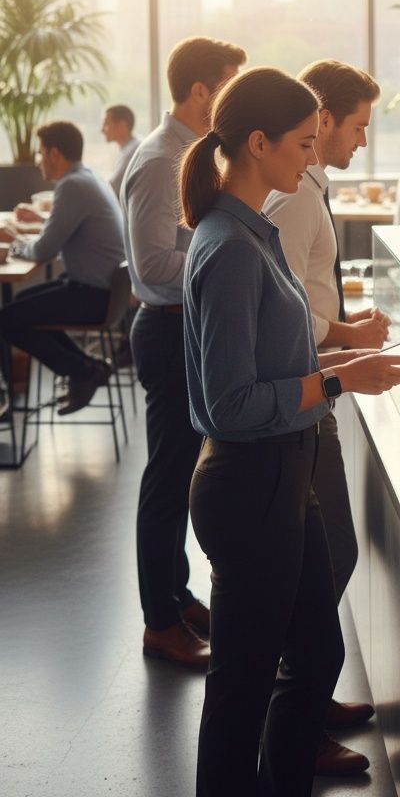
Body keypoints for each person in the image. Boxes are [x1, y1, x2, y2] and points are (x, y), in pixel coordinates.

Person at [181, 66, 400, 796]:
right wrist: (342, 379)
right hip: (250, 482)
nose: (314, 157)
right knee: (241, 690)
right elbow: (232, 403)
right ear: (259, 144)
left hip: (286, 473)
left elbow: (283, 359)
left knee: (316, 653)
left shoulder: (254, 232)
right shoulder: (228, 247)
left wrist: (351, 360)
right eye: (305, 143)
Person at [264, 59, 391, 778]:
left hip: (319, 376)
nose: (361, 141)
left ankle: (307, 697)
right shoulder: (295, 199)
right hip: (306, 393)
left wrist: (345, 329)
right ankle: (299, 709)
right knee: (330, 553)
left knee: (327, 555)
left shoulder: (311, 189)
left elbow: (301, 296)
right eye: (357, 127)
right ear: (323, 119)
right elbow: (280, 314)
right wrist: (343, 345)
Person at [122, 35, 246, 669]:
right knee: (167, 481)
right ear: (202, 91)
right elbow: (150, 265)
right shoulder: (158, 160)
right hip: (165, 328)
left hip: (182, 326)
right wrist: (218, 257)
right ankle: (160, 622)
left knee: (177, 474)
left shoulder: (188, 152)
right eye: (226, 87)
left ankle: (176, 596)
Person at [0, 121, 124, 414]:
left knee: (6, 320)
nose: (39, 161)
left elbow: (45, 249)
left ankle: (83, 371)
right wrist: (33, 228)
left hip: (93, 296)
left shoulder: (72, 186)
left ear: (54, 154)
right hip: (106, 291)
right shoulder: (87, 177)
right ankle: (88, 367)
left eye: (41, 153)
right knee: (20, 304)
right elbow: (61, 231)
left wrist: (13, 242)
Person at [102, 104, 140, 197]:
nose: (102, 130)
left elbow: (113, 187)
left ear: (122, 125)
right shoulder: (128, 147)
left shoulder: (132, 151)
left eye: (106, 124)